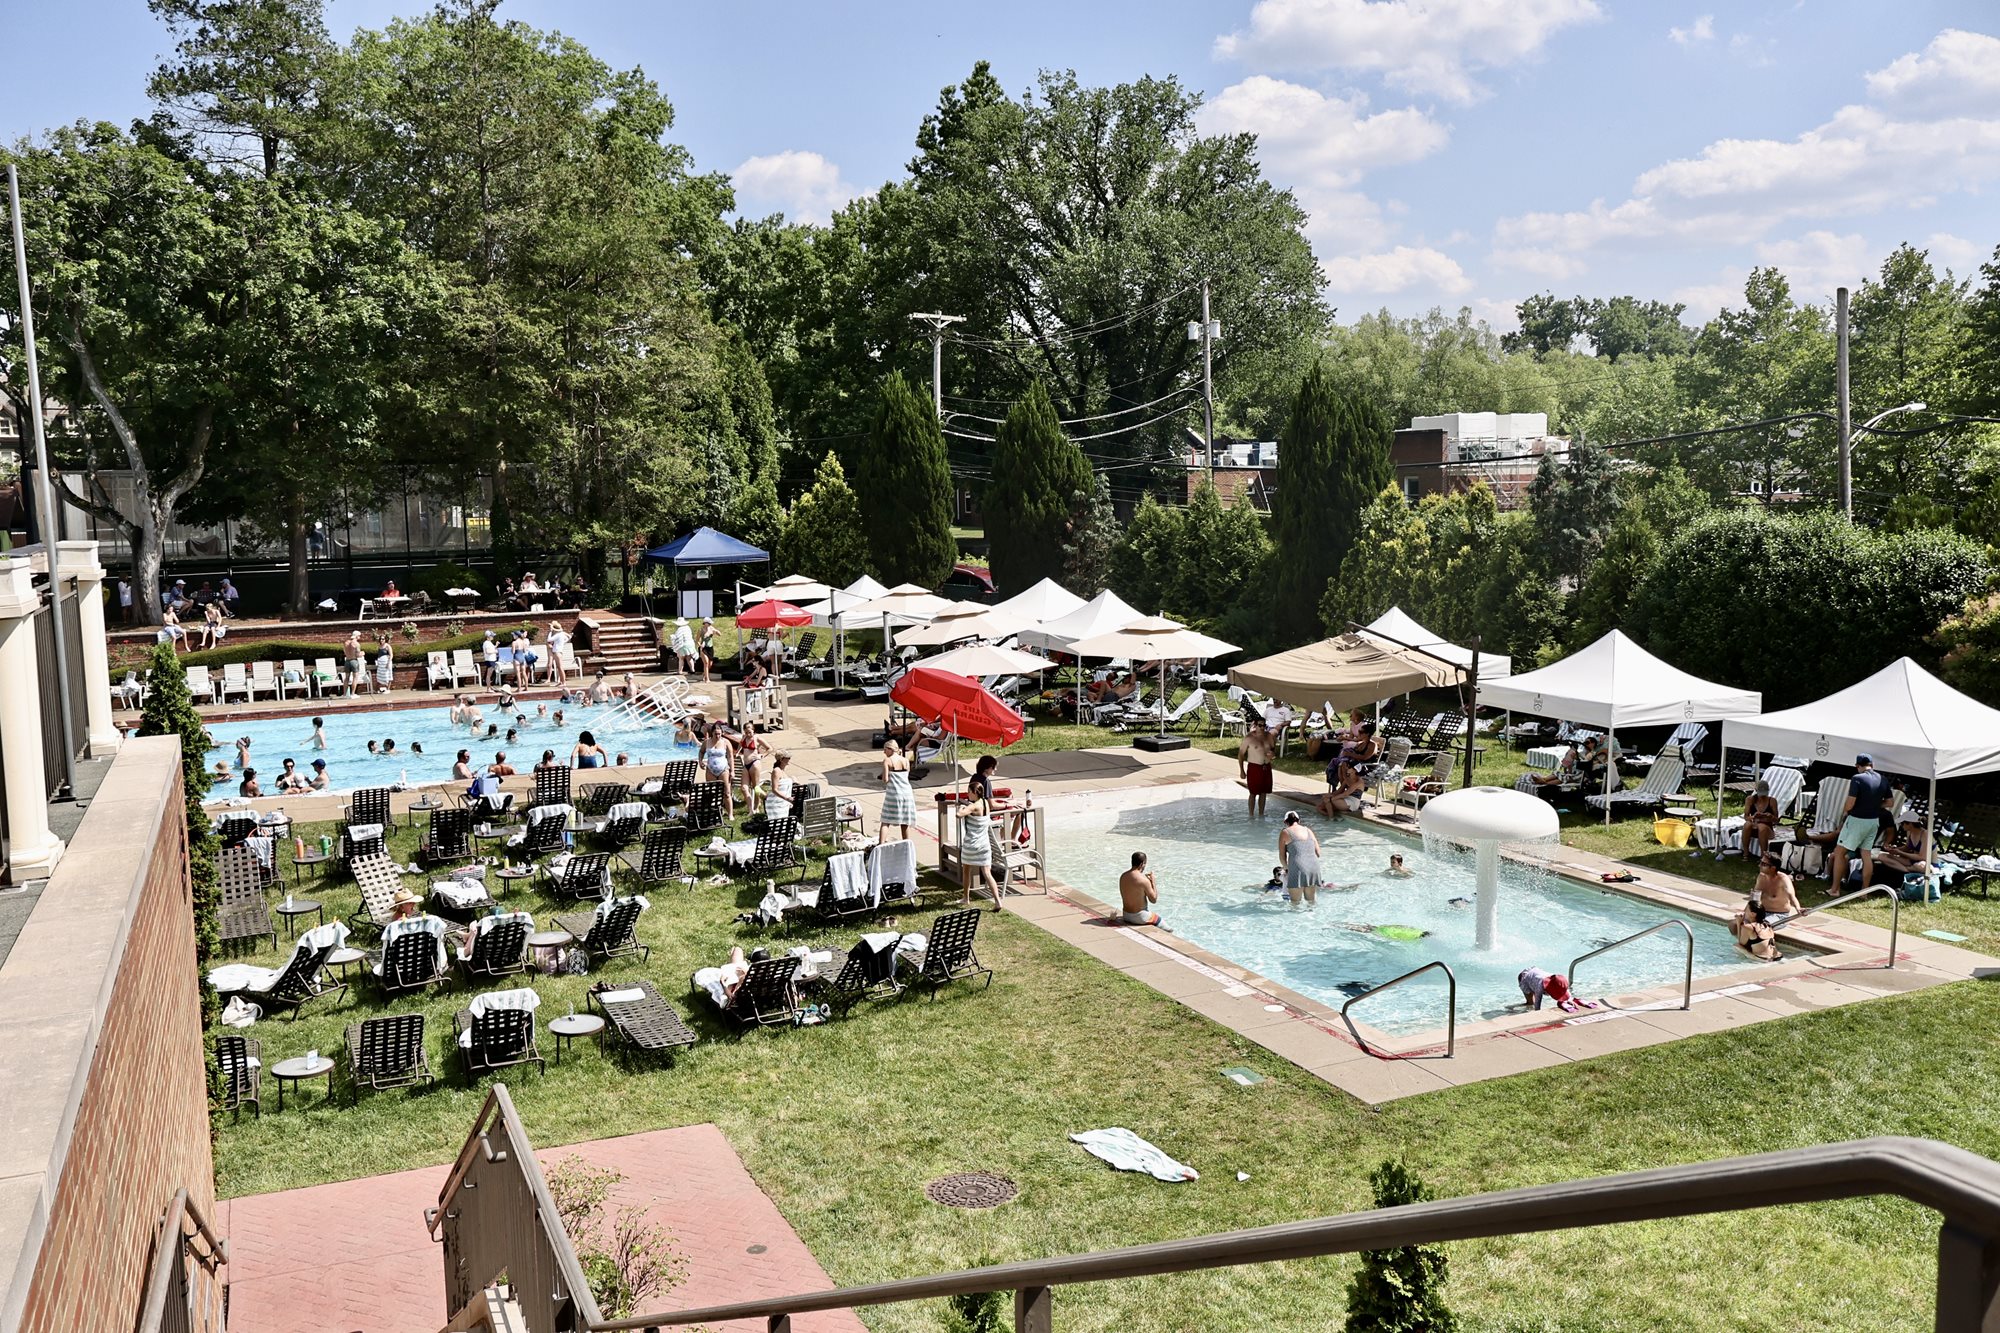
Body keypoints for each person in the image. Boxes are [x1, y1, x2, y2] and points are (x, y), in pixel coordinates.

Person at [1830, 754, 1891, 891]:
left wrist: (1846, 810)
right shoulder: (1883, 779)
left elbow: (1850, 803)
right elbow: (1890, 802)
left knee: (1839, 853)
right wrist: (1874, 805)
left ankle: (1834, 890)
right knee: (1866, 855)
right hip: (1873, 821)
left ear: (1857, 766)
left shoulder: (1857, 778)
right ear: (1872, 765)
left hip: (1857, 820)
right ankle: (1864, 891)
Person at [1732, 853, 1799, 959]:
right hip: (1761, 912)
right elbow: (1754, 899)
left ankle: (1753, 951)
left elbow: (1792, 896)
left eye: (1763, 864)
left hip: (1779, 915)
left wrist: (1798, 908)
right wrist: (1745, 913)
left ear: (1773, 867)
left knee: (1756, 927)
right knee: (1733, 924)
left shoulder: (1783, 879)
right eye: (1760, 862)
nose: (1759, 865)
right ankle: (1749, 946)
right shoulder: (1761, 877)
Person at [960, 754, 1003, 912]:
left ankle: (966, 897)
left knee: (966, 869)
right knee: (987, 872)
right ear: (987, 768)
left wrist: (962, 808)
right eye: (993, 767)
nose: (995, 770)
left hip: (971, 844)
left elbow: (960, 814)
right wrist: (1008, 803)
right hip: (984, 844)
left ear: (973, 792)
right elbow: (992, 805)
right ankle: (998, 901)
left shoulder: (975, 782)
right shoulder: (984, 799)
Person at [1278, 810, 1321, 911]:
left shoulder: (1285, 832)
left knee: (1295, 904)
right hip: (1313, 867)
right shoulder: (1308, 830)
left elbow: (1282, 856)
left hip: (1297, 868)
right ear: (1299, 820)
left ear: (1285, 822)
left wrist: (1287, 869)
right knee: (1311, 902)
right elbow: (1318, 853)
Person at [1877, 811, 1932, 881]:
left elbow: (1922, 857)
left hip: (1925, 862)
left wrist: (1900, 853)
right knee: (1882, 856)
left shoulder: (1925, 834)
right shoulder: (1909, 832)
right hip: (1912, 861)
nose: (1901, 826)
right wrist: (1895, 849)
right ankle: (1907, 870)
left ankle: (1906, 869)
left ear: (1910, 824)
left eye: (1902, 823)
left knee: (1920, 866)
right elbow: (1907, 847)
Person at [878, 738, 915, 843]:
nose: (884, 752)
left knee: (885, 820)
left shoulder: (887, 761)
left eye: (885, 749)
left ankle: (881, 845)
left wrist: (884, 775)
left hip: (894, 794)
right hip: (907, 794)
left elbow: (885, 779)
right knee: (905, 821)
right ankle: (906, 844)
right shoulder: (905, 761)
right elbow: (906, 776)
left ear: (890, 749)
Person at [1237, 718, 1275, 817]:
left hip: (1266, 767)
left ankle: (1261, 814)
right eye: (1260, 725)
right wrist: (1242, 770)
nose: (1262, 728)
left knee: (1263, 792)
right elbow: (1241, 755)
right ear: (1255, 725)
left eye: (1264, 726)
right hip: (1254, 767)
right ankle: (1251, 815)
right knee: (1253, 793)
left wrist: (1272, 754)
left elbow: (1273, 749)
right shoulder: (1249, 738)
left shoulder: (1268, 736)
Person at [1517, 968, 1595, 1013]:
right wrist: (1538, 1013)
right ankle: (1515, 1010)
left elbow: (1564, 989)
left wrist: (1569, 999)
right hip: (1524, 977)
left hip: (1535, 974)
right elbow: (1538, 1002)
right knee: (1531, 1003)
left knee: (1533, 1000)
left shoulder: (1557, 979)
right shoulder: (1540, 986)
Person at [700, 723, 737, 818]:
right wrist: (700, 761)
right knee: (712, 792)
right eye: (716, 734)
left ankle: (730, 814)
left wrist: (732, 770)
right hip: (710, 770)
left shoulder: (726, 742)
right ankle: (717, 811)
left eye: (719, 734)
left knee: (727, 793)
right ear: (712, 733)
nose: (718, 736)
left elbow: (730, 757)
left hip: (723, 770)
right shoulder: (707, 742)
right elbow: (701, 752)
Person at [1739, 779, 1780, 862]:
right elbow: (1746, 817)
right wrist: (1753, 817)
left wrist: (1771, 816)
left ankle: (1763, 856)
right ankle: (1745, 853)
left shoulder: (1772, 801)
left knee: (1761, 826)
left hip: (1766, 828)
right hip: (1754, 826)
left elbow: (1777, 820)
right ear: (1756, 790)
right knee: (1747, 824)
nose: (1762, 796)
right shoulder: (1750, 799)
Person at [1118, 851, 1161, 925]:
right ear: (1142, 864)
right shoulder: (1144, 880)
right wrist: (1153, 882)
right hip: (1140, 917)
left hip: (1126, 915)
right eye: (1145, 864)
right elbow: (1153, 900)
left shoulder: (1123, 876)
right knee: (1169, 929)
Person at [763, 751, 795, 822]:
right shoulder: (776, 771)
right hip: (775, 804)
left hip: (783, 803)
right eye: (788, 758)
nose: (789, 759)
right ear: (781, 759)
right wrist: (787, 798)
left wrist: (788, 801)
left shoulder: (782, 771)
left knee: (783, 824)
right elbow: (774, 789)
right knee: (778, 824)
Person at [546, 620, 569, 685]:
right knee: (559, 667)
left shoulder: (558, 635)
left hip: (557, 652)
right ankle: (561, 682)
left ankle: (563, 682)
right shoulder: (561, 634)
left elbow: (549, 639)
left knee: (560, 667)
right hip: (559, 652)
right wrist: (562, 643)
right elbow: (567, 638)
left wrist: (550, 631)